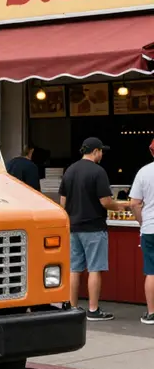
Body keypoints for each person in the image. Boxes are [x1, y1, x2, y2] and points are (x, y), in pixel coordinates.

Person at [59, 137, 125, 321]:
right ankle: (93, 310)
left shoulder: (70, 170)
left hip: (73, 227)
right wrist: (118, 206)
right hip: (94, 227)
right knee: (95, 269)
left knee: (74, 268)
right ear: (95, 151)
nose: (102, 154)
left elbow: (62, 203)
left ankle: (72, 307)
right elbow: (105, 201)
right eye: (101, 151)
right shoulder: (98, 171)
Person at [127, 140, 154, 325]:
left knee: (151, 272)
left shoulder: (144, 172)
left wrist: (141, 221)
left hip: (150, 228)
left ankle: (152, 313)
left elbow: (134, 203)